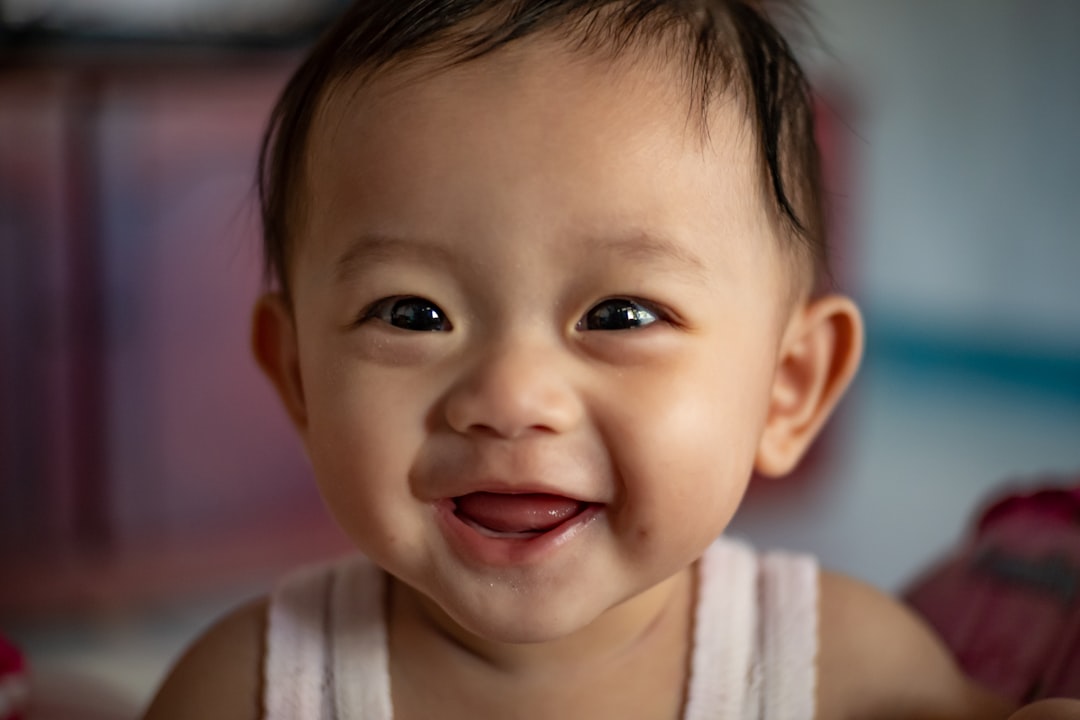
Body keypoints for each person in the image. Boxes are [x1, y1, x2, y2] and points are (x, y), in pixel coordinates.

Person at [143, 1, 1077, 718]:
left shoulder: (847, 672)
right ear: (299, 376)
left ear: (788, 388)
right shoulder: (251, 688)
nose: (509, 397)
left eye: (621, 312)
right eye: (414, 312)